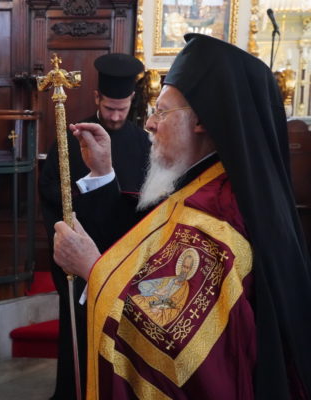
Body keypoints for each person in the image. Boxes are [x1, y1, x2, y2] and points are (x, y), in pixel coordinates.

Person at [53, 34, 311, 399]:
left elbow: (170, 348)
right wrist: (102, 172)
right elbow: (146, 250)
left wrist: (93, 270)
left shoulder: (217, 221)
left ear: (201, 120)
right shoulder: (207, 186)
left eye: (161, 111)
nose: (150, 123)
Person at [38, 53, 150, 400]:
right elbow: (51, 193)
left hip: (129, 261)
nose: (115, 116)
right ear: (97, 97)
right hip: (82, 260)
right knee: (80, 340)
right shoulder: (72, 137)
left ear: (132, 100)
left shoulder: (144, 143)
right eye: (110, 108)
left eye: (122, 109)